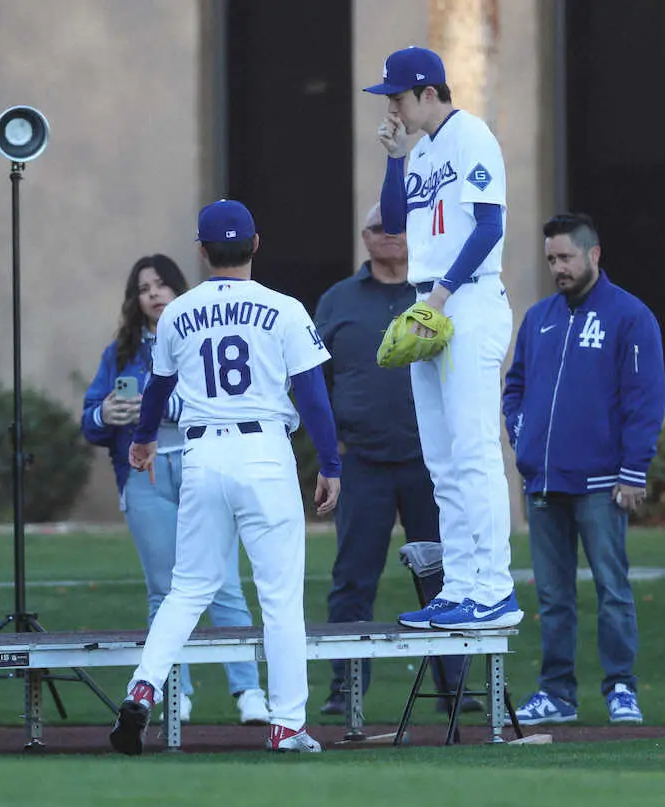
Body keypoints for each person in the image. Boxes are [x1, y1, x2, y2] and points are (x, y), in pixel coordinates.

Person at [108, 200, 342, 756]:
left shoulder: (177, 313)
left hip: (202, 454)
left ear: (202, 251)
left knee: (187, 588)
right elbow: (312, 393)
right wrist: (330, 463)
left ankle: (144, 687)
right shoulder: (284, 308)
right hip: (262, 451)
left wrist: (142, 440)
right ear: (255, 244)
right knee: (280, 596)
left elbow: (158, 390)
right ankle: (286, 725)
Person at [365, 46, 521, 630]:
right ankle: (460, 585)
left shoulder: (471, 135)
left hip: (467, 296)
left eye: (398, 98)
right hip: (430, 298)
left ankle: (495, 589)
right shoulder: (424, 147)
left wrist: (443, 293)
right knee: (442, 457)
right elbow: (396, 222)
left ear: (429, 92)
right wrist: (395, 159)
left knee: (475, 449)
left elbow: (490, 225)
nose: (393, 108)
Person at [82, 254, 270, 726]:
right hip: (144, 478)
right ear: (135, 299)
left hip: (201, 467)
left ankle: (248, 690)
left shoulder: (196, 333)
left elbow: (218, 401)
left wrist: (155, 409)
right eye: (144, 287)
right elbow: (90, 420)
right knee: (164, 588)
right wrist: (107, 413)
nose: (154, 294)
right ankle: (173, 690)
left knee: (223, 582)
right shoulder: (120, 353)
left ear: (179, 289)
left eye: (163, 284)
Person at [503, 213, 665, 725]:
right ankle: (557, 693)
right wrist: (525, 440)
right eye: (552, 259)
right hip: (545, 482)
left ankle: (621, 687)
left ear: (593, 255)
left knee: (612, 589)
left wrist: (633, 469)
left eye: (566, 257)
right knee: (553, 597)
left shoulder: (630, 316)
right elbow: (515, 387)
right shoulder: (539, 318)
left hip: (602, 482)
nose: (558, 267)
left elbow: (645, 398)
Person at [314, 204, 475, 716]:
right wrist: (330, 443)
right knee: (354, 577)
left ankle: (455, 688)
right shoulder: (338, 301)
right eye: (377, 228)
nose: (387, 235)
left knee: (442, 577)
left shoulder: (433, 295)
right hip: (361, 461)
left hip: (429, 464)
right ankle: (346, 688)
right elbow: (312, 377)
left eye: (397, 227)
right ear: (363, 237)